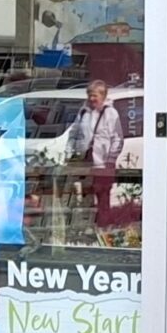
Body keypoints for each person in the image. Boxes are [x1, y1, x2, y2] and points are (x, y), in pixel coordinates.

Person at [53, 81, 130, 243]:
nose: (91, 98)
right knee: (86, 196)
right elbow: (73, 134)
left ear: (103, 96)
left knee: (103, 196)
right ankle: (87, 229)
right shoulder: (84, 112)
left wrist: (110, 160)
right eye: (90, 95)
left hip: (103, 162)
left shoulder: (111, 113)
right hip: (84, 161)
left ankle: (104, 230)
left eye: (94, 95)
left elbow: (118, 138)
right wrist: (70, 153)